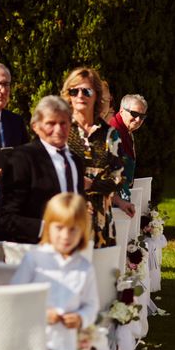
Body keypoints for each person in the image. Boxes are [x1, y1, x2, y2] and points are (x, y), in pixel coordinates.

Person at [11, 193, 99, 350]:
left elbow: (91, 305)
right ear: (48, 226)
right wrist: (40, 313)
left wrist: (80, 318)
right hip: (31, 346)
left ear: (82, 230)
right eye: (59, 228)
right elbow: (15, 298)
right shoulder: (34, 260)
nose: (65, 236)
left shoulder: (84, 267)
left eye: (73, 230)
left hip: (64, 347)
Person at [0, 96, 85, 243]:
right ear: (36, 126)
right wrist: (46, 229)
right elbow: (7, 217)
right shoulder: (22, 159)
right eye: (50, 123)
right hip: (35, 250)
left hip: (72, 250)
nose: (58, 130)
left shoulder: (75, 161)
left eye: (63, 123)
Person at [62, 67, 125, 248]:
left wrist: (91, 185)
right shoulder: (60, 130)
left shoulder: (109, 134)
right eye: (74, 91)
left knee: (103, 275)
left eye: (86, 91)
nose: (80, 95)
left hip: (102, 222)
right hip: (68, 219)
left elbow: (119, 178)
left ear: (96, 95)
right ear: (69, 95)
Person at [0, 62, 28, 240]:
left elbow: (27, 163)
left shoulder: (15, 123)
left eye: (6, 84)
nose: (2, 90)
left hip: (8, 209)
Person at [109, 94, 148, 204]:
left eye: (142, 116)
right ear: (121, 111)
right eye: (134, 114)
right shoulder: (113, 131)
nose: (138, 119)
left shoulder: (127, 131)